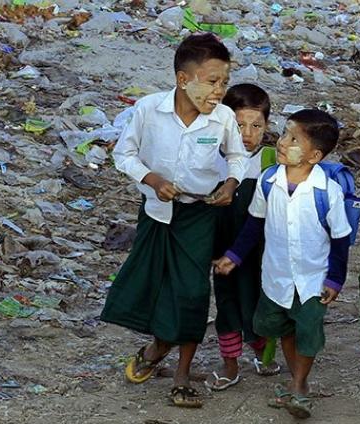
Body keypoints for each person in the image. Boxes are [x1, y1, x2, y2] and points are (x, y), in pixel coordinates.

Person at [100, 33, 248, 408]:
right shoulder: (149, 109)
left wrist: (231, 184)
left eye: (225, 81)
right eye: (212, 81)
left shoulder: (223, 118)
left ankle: (182, 375)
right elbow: (125, 154)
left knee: (192, 293)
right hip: (156, 211)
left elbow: (237, 157)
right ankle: (154, 349)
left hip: (200, 214)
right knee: (150, 287)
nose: (219, 90)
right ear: (184, 79)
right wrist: (153, 180)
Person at [213, 109, 351, 418]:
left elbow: (341, 240)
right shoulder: (268, 180)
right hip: (275, 277)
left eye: (293, 139)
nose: (283, 142)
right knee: (277, 326)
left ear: (314, 156)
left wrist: (335, 279)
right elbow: (254, 224)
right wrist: (233, 257)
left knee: (308, 332)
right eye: (285, 134)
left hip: (313, 280)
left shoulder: (327, 193)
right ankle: (296, 382)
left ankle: (299, 385)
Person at [206, 83, 279, 391]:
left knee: (258, 302)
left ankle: (263, 350)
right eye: (239, 126)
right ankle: (230, 364)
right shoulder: (212, 159)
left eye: (256, 125)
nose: (248, 134)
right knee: (227, 304)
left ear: (267, 125)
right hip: (220, 250)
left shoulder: (271, 162)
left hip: (258, 251)